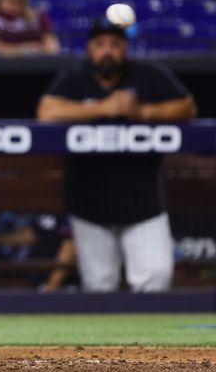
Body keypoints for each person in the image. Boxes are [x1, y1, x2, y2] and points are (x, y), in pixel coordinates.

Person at [37, 19, 197, 292]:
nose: (107, 51)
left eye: (115, 44)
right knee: (99, 287)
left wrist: (145, 113)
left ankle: (149, 337)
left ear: (125, 48)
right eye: (100, 45)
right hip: (88, 207)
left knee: (156, 278)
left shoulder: (146, 74)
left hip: (143, 205)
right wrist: (102, 108)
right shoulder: (75, 76)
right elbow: (46, 111)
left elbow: (186, 106)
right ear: (89, 48)